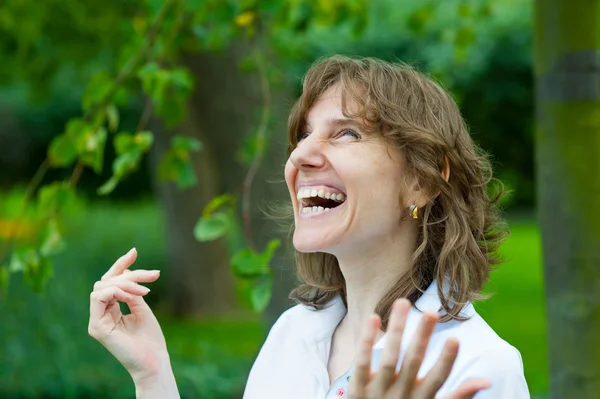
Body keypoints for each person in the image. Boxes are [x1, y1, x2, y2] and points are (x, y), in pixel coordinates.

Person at [88, 56, 530, 399]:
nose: (300, 156)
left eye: (348, 134)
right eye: (303, 136)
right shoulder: (292, 334)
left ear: (423, 181)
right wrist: (153, 375)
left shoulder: (478, 366)